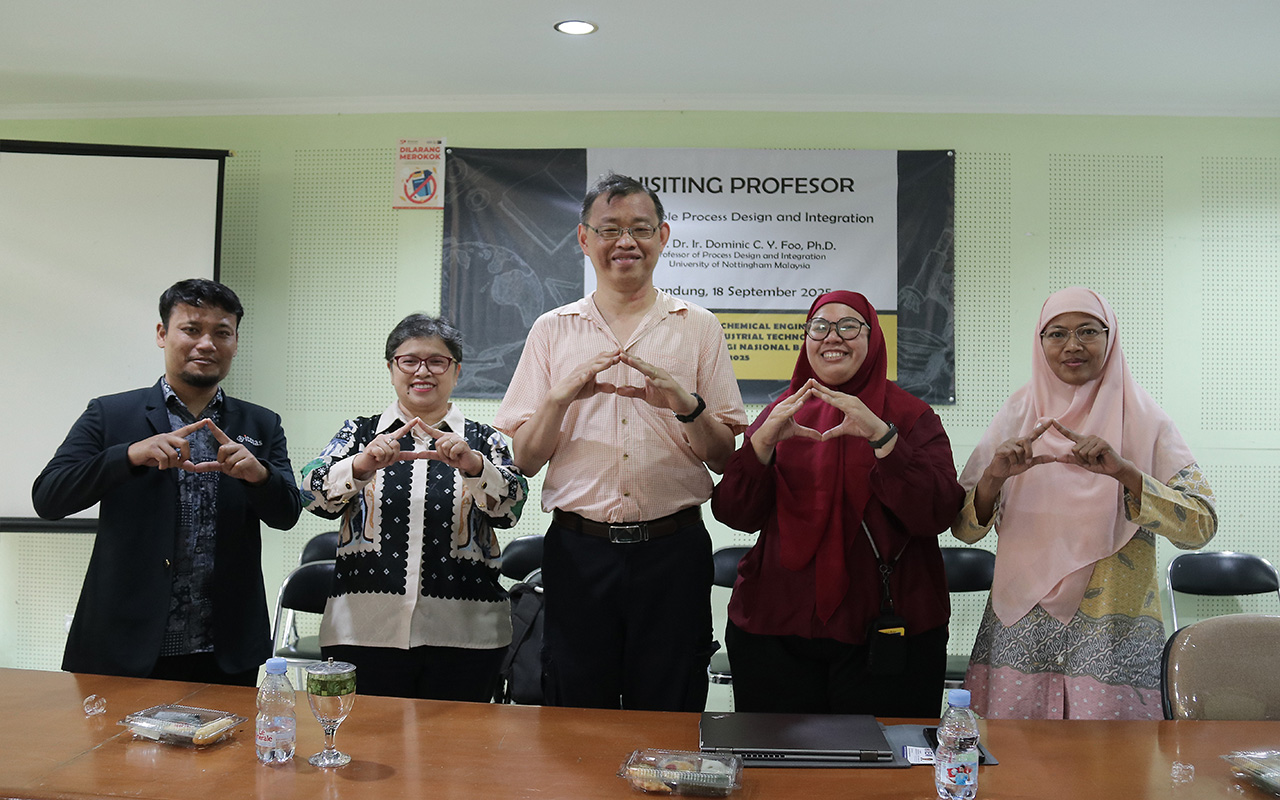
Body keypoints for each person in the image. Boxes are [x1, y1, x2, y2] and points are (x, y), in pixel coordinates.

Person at [494, 172, 747, 711]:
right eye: (610, 229)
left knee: (671, 706)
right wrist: (559, 399)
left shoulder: (698, 326)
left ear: (663, 236)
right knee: (576, 709)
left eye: (640, 228)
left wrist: (686, 405)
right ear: (584, 239)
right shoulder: (552, 329)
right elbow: (525, 460)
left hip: (674, 551)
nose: (625, 242)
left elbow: (725, 458)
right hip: (577, 551)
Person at [952, 287, 1217, 719]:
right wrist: (994, 478)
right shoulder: (1016, 416)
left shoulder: (1146, 422)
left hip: (1110, 636)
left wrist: (1126, 473)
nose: (1072, 345)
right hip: (1022, 633)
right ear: (1040, 342)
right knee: (1013, 758)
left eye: (1088, 331)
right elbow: (963, 527)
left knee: (1112, 761)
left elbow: (1200, 526)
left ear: (1110, 338)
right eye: (1057, 333)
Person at [32, 279, 303, 684]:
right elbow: (49, 497)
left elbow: (287, 514)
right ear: (162, 334)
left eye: (222, 333)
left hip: (225, 649)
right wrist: (127, 455)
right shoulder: (110, 414)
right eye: (191, 329)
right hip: (124, 644)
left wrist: (259, 476)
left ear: (235, 342)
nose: (206, 344)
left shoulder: (260, 422)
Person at [711, 291, 964, 716]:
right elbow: (735, 512)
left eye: (849, 326)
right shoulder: (781, 413)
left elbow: (937, 513)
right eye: (820, 326)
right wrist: (760, 446)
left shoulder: (912, 417)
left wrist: (884, 439)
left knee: (883, 758)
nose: (833, 337)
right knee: (776, 756)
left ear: (873, 338)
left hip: (884, 632)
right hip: (776, 628)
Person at [300, 314, 527, 701]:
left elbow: (511, 509)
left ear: (456, 371)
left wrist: (475, 467)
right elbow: (311, 494)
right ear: (391, 368)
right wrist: (360, 465)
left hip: (467, 634)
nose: (423, 371)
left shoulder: (483, 440)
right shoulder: (359, 433)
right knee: (369, 738)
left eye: (437, 361)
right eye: (409, 361)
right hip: (362, 630)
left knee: (455, 740)